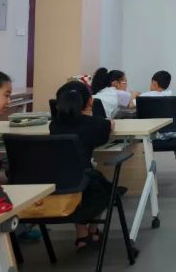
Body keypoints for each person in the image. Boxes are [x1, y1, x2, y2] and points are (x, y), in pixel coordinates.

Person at [49, 81, 115, 250]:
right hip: (87, 185)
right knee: (102, 187)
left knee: (74, 174)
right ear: (90, 101)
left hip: (56, 184)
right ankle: (93, 230)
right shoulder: (98, 124)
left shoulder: (54, 125)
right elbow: (109, 126)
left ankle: (82, 234)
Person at [138, 70, 176, 166]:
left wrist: (134, 94)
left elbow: (131, 104)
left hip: (152, 136)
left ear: (154, 83)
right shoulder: (171, 96)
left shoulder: (143, 97)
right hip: (173, 133)